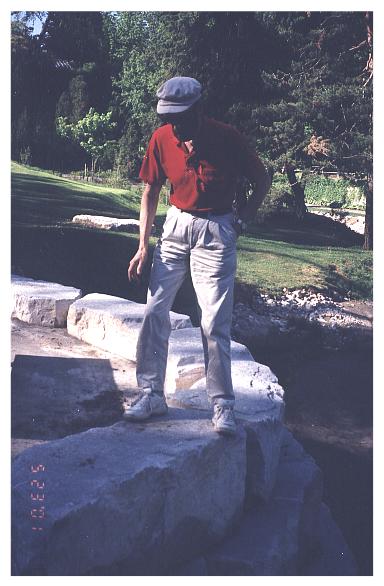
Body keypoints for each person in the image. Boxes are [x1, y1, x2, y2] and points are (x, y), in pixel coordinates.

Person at [125, 76, 271, 435]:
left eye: (181, 116)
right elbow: (150, 191)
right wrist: (143, 244)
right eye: (168, 117)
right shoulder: (162, 138)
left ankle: (222, 405)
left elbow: (263, 179)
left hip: (217, 230)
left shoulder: (227, 137)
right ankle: (151, 394)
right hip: (175, 227)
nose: (174, 124)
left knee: (214, 322)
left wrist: (243, 219)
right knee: (155, 310)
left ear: (199, 110)